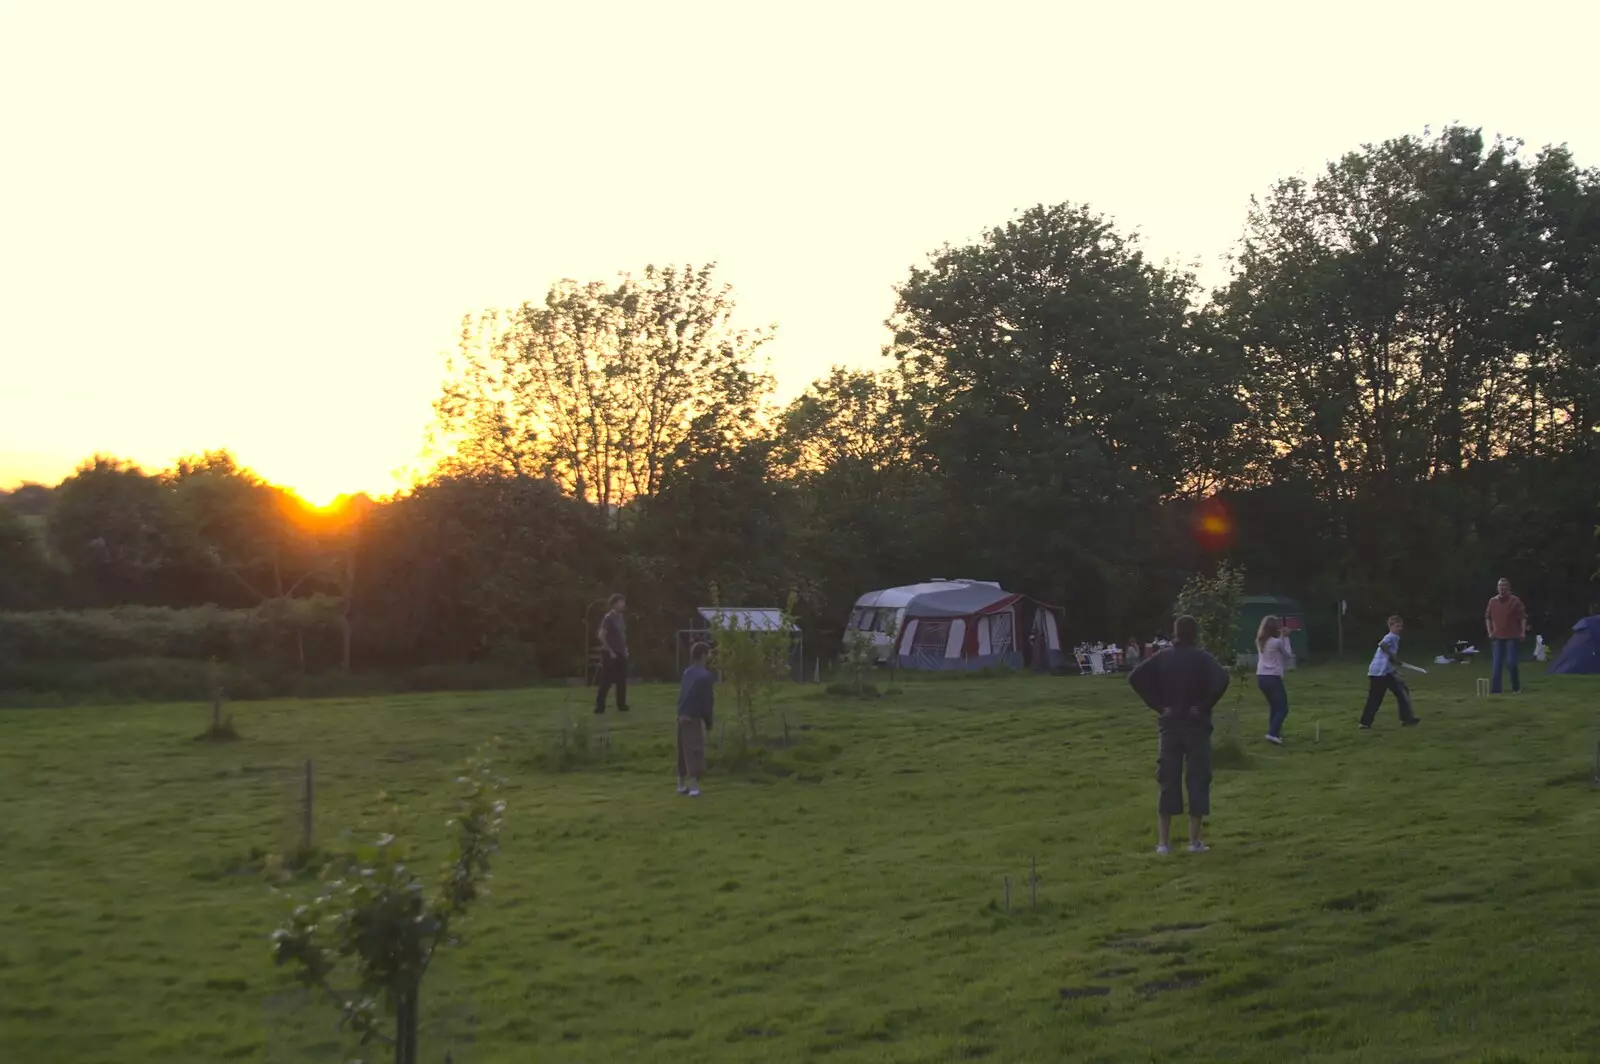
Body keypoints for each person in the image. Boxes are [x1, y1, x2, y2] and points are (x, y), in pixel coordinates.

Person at [1128, 615, 1231, 855]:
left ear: (1175, 632)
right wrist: (1204, 705)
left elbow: (1135, 677)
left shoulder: (1162, 657)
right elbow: (1223, 679)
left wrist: (1158, 705)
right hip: (1197, 726)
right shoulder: (1203, 659)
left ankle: (1164, 843)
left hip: (1170, 725)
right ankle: (1194, 841)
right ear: (1195, 634)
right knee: (1198, 780)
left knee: (1168, 780)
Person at [1359, 615, 1420, 730]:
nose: (1399, 628)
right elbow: (1382, 645)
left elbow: (1387, 658)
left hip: (1382, 672)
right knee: (1378, 698)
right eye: (1397, 626)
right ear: (1390, 626)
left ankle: (1365, 723)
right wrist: (1394, 657)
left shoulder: (1394, 637)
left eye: (1401, 626)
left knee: (1401, 691)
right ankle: (1365, 723)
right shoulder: (1392, 637)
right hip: (1380, 673)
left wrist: (1394, 667)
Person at [675, 642, 715, 797]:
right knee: (694, 750)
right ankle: (694, 787)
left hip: (681, 714)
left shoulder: (687, 673)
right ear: (703, 655)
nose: (710, 655)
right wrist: (708, 721)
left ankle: (680, 785)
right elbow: (706, 701)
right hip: (693, 716)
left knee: (682, 750)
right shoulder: (705, 676)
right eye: (709, 653)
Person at [1485, 577, 1528, 695]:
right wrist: (1489, 631)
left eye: (1504, 586)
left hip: (1512, 636)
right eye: (1499, 586)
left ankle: (1516, 687)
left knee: (1511, 663)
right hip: (1497, 637)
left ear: (1508, 588)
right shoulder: (1492, 601)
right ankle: (1496, 691)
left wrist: (1523, 632)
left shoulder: (1515, 601)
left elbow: (1523, 617)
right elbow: (1488, 617)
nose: (1501, 588)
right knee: (1497, 664)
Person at [1256, 616, 1294, 745]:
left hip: (1261, 677)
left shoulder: (1261, 641)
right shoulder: (1276, 642)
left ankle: (1274, 732)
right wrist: (1287, 637)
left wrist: (1282, 637)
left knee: (1274, 706)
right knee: (1283, 708)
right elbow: (1287, 654)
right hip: (1273, 677)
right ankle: (1272, 733)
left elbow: (1277, 647)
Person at [594, 593, 630, 714]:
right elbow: (601, 635)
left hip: (621, 653)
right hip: (610, 654)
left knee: (621, 681)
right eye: (621, 602)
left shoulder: (621, 618)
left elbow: (622, 635)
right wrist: (610, 651)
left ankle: (621, 705)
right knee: (607, 681)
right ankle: (599, 707)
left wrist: (625, 649)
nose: (623, 604)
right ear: (614, 603)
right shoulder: (608, 618)